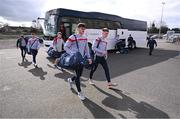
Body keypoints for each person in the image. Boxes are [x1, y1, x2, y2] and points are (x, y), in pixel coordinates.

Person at [64, 23, 92, 100]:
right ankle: (79, 92)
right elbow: (66, 47)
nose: (83, 30)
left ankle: (70, 80)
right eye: (81, 28)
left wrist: (89, 57)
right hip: (75, 60)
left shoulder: (85, 38)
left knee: (79, 75)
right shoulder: (72, 37)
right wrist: (73, 54)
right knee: (77, 76)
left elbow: (87, 49)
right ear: (77, 29)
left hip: (82, 59)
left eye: (84, 29)